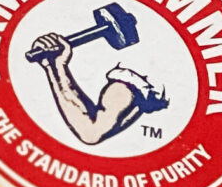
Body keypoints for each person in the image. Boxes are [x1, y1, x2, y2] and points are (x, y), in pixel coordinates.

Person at [25, 32, 167, 145]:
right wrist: (53, 67)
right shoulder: (131, 73)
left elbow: (91, 131)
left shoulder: (136, 80)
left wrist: (57, 67)